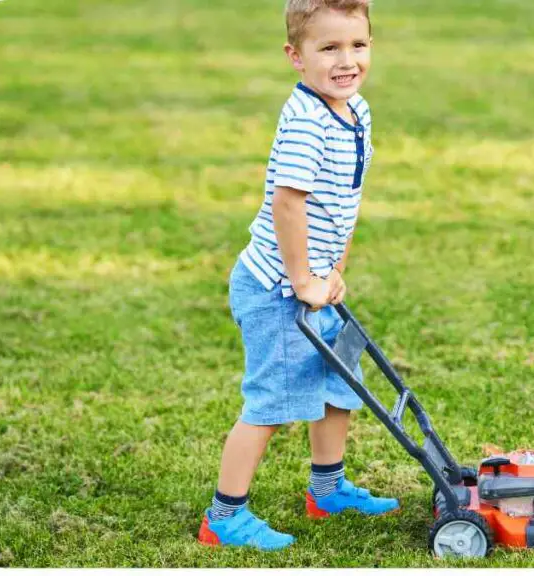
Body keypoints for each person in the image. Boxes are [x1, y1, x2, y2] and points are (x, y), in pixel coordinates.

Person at [197, 0, 397, 551]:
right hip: (277, 287)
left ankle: (327, 490)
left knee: (338, 384)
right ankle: (224, 516)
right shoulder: (309, 120)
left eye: (357, 45)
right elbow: (288, 204)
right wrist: (305, 280)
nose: (346, 60)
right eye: (328, 48)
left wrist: (333, 269)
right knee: (272, 400)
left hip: (313, 280)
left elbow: (346, 200)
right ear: (296, 56)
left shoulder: (356, 110)